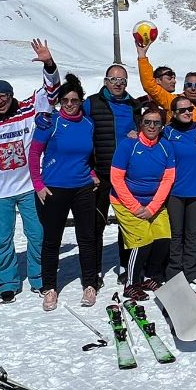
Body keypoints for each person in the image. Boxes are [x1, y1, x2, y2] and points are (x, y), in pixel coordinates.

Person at [0, 40, 61, 301]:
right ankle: (7, 280)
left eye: (4, 96)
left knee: (37, 234)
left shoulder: (27, 109)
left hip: (29, 187)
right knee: (1, 239)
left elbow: (52, 92)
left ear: (11, 95)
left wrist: (48, 63)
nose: (0, 101)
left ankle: (39, 277)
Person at [29, 74, 99, 310]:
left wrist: (91, 174)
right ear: (59, 102)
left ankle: (90, 284)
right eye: (65, 100)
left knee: (87, 238)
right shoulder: (52, 122)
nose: (69, 104)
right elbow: (34, 154)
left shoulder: (88, 124)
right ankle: (49, 287)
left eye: (74, 100)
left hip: (82, 188)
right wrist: (38, 185)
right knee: (52, 240)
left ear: (81, 101)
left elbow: (85, 156)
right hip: (54, 189)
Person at [83, 64, 141, 284]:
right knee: (96, 224)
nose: (118, 84)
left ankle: (126, 266)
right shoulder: (92, 103)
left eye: (122, 80)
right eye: (113, 79)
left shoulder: (133, 105)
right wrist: (89, 170)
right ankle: (94, 271)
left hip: (126, 175)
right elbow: (81, 135)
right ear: (105, 81)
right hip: (100, 174)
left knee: (127, 223)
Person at [110, 105, 176, 298]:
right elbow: (116, 178)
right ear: (141, 123)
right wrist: (136, 207)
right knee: (142, 242)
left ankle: (152, 276)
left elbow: (167, 179)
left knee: (163, 238)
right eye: (148, 122)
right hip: (126, 201)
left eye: (157, 123)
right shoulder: (128, 145)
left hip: (153, 202)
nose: (152, 126)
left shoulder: (165, 147)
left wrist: (153, 207)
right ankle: (131, 283)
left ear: (162, 126)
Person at [162, 95, 196, 284]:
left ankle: (193, 269)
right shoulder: (167, 132)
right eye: (182, 110)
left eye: (189, 109)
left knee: (193, 232)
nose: (187, 112)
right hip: (174, 191)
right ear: (174, 113)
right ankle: (174, 269)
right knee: (175, 232)